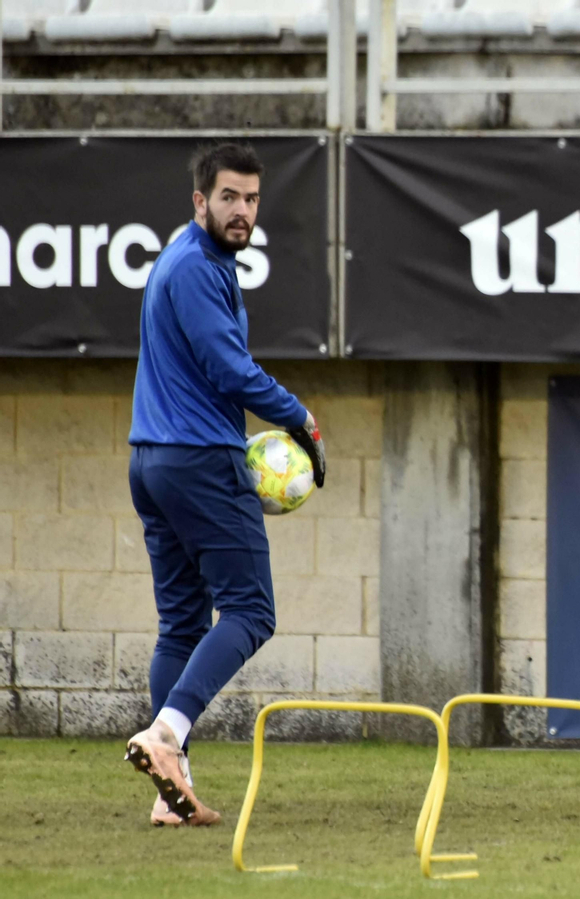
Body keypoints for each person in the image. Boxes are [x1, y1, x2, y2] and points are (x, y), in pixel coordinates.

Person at [123, 142, 326, 826]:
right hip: (201, 462)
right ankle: (166, 733)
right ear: (199, 200)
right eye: (229, 197)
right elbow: (229, 370)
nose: (242, 211)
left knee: (182, 623)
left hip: (152, 460)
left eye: (252, 199)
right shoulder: (195, 267)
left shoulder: (185, 259)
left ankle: (170, 790)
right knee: (251, 611)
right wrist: (300, 419)